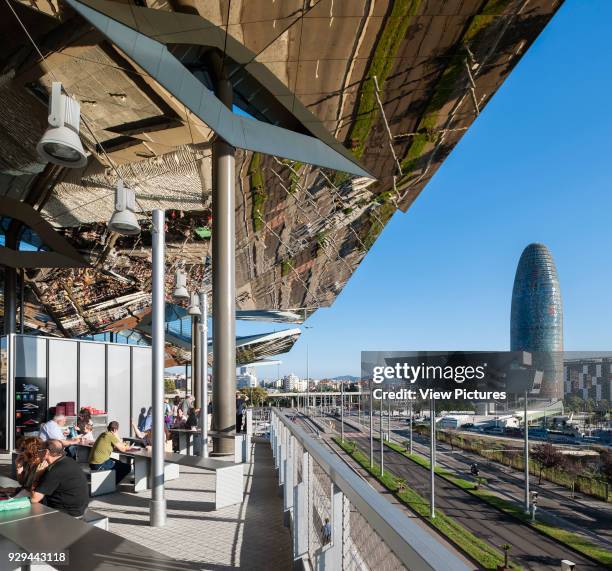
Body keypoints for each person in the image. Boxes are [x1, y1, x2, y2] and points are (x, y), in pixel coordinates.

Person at [30, 440, 89, 517]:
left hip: (67, 514)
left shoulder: (55, 470)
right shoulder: (67, 461)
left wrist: (37, 475)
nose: (37, 453)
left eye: (39, 450)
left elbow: (34, 499)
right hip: (78, 508)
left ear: (46, 452)